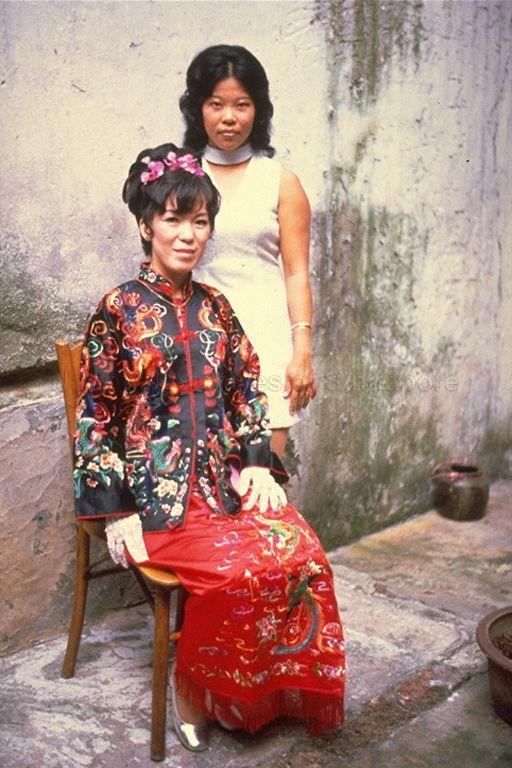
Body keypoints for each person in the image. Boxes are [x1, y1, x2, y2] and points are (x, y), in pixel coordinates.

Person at [73, 144, 344, 752]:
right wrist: (116, 510)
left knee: (300, 553)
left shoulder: (218, 307)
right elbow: (94, 416)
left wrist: (255, 464)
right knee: (233, 574)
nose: (188, 234)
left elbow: (248, 387)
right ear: (146, 225)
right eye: (172, 219)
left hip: (223, 484)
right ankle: (194, 692)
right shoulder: (117, 309)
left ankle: (258, 692)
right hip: (155, 497)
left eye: (199, 221)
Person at [180, 44, 316, 460]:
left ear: (258, 110)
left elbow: (295, 273)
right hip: (194, 344)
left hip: (264, 345)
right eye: (216, 103)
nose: (228, 117)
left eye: (242, 104)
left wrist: (303, 352)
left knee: (264, 480)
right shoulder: (179, 178)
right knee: (201, 488)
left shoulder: (280, 181)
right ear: (197, 108)